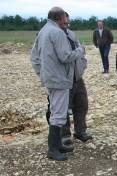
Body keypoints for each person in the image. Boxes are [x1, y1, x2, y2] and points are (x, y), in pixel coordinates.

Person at [31, 7, 85, 161]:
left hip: (51, 77)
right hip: (59, 79)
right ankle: (53, 149)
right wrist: (80, 51)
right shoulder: (57, 32)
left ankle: (57, 145)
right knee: (59, 114)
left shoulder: (43, 31)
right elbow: (65, 56)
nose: (66, 21)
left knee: (55, 110)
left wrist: (41, 73)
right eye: (65, 18)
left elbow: (34, 56)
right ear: (60, 18)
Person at [45, 12, 92, 146]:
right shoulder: (54, 35)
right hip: (63, 79)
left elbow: (80, 50)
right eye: (65, 22)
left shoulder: (71, 34)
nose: (67, 25)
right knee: (63, 109)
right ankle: (65, 136)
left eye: (68, 22)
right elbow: (65, 56)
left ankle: (80, 131)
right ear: (58, 20)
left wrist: (83, 63)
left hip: (77, 77)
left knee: (82, 104)